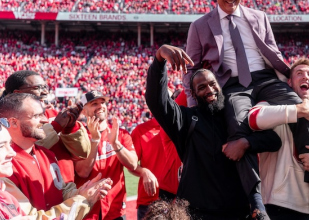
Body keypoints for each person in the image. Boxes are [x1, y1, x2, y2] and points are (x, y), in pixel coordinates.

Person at [183, 0, 309, 219]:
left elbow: (272, 51)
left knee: (302, 109)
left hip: (264, 78)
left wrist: (289, 75)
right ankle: (256, 203)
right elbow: (191, 68)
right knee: (238, 129)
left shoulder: (259, 16)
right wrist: (192, 105)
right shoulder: (199, 26)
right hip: (230, 85)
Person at [146, 44, 281, 220]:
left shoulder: (237, 117)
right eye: (201, 87)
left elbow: (273, 140)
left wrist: (245, 143)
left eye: (212, 84)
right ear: (193, 95)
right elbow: (157, 101)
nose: (209, 90)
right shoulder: (186, 120)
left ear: (220, 86)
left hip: (237, 212)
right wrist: (159, 58)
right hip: (195, 213)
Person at [248, 58, 309, 220]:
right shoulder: (274, 107)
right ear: (289, 82)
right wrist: (296, 111)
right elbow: (253, 119)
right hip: (277, 205)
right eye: (299, 73)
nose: (305, 77)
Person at [0, 93, 112, 217]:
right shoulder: (5, 167)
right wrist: (83, 200)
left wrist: (84, 192)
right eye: (36, 116)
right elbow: (33, 218)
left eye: (43, 113)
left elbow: (63, 192)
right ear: (14, 123)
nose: (45, 119)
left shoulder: (47, 154)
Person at [2, 70, 90, 183]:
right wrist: (56, 127)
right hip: (35, 188)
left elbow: (82, 153)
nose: (45, 92)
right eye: (38, 87)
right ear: (18, 93)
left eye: (45, 87)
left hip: (66, 188)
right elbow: (24, 149)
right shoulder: (7, 121)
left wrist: (70, 128)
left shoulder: (53, 114)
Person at [74, 90, 138, 220]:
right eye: (94, 103)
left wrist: (115, 144)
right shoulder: (78, 138)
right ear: (84, 111)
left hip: (115, 208)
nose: (100, 106)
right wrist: (94, 140)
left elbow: (133, 164)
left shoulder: (121, 134)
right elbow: (83, 172)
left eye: (103, 102)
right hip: (87, 210)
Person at [130, 112, 182, 220]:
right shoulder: (140, 130)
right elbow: (130, 165)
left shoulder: (181, 127)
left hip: (180, 200)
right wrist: (144, 172)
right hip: (149, 200)